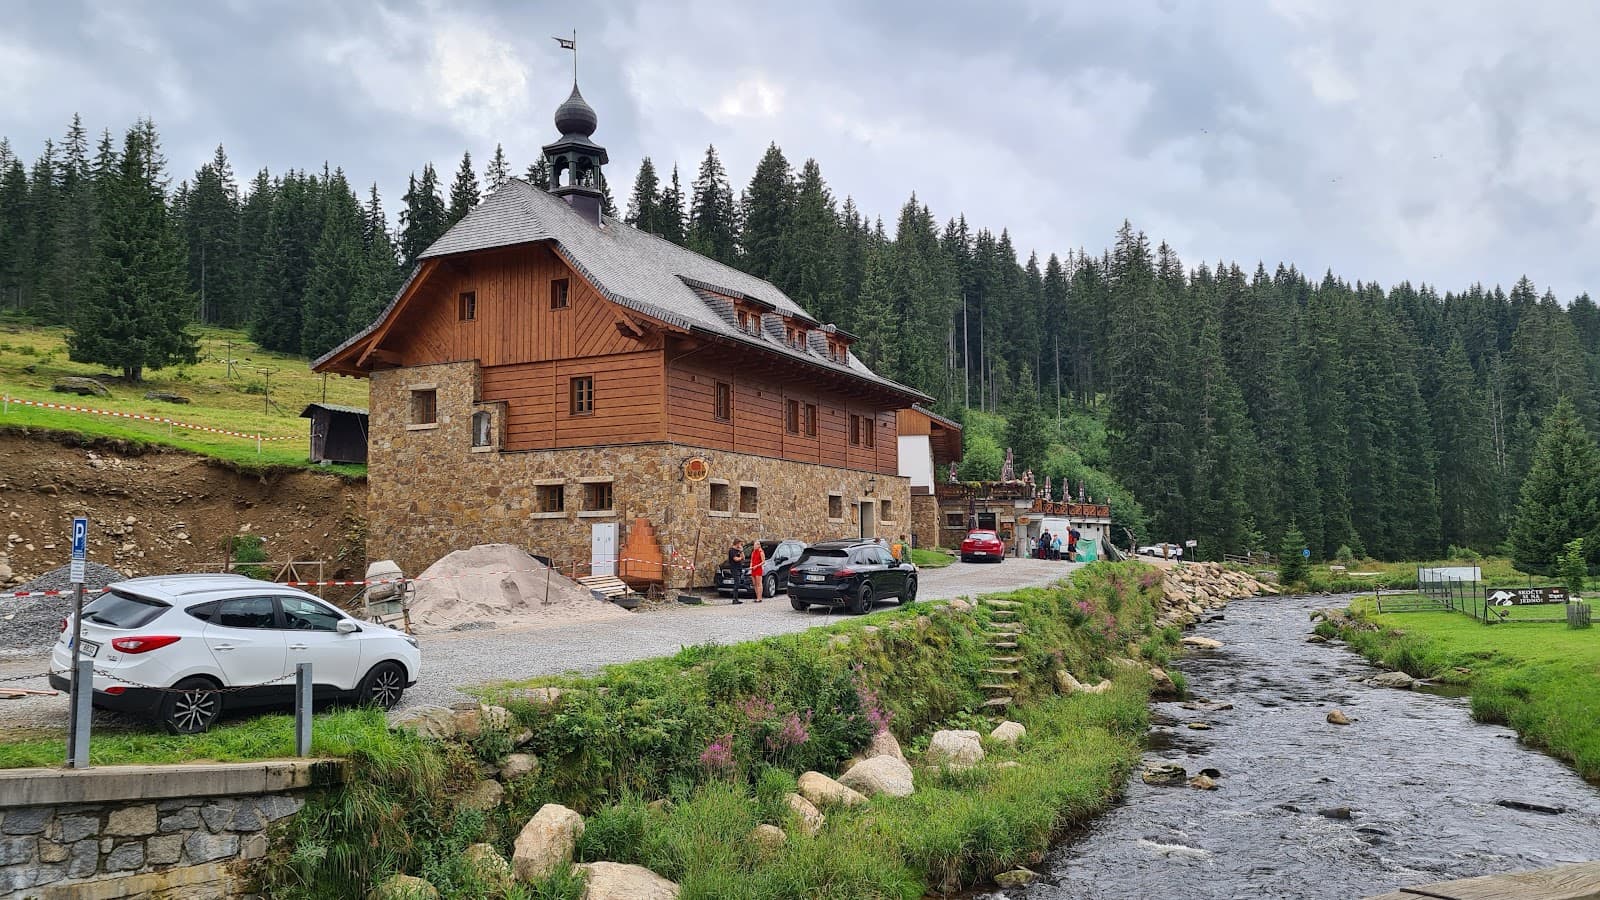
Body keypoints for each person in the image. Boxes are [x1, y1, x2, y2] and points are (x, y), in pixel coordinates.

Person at [727, 539, 745, 605]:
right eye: (740, 544)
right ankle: (734, 599)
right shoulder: (732, 550)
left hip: (739, 568)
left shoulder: (739, 550)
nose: (740, 545)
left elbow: (744, 558)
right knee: (737, 583)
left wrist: (741, 551)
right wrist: (741, 558)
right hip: (734, 569)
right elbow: (736, 559)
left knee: (738, 583)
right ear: (737, 543)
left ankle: (737, 599)